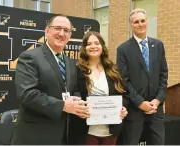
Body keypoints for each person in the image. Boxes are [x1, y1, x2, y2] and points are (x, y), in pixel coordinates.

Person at [10, 14, 90, 145]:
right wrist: (63, 106)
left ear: (70, 36)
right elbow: (27, 94)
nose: (61, 33)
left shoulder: (70, 62)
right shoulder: (30, 57)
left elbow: (73, 89)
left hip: (63, 135)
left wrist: (78, 104)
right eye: (57, 28)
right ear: (47, 31)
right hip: (35, 137)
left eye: (66, 31)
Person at [116, 8, 168, 145]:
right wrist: (140, 103)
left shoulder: (158, 45)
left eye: (143, 21)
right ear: (131, 25)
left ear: (147, 22)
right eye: (136, 22)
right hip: (134, 110)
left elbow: (164, 75)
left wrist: (157, 100)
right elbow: (123, 80)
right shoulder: (123, 49)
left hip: (156, 109)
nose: (140, 24)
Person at [68, 31, 128, 145]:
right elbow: (73, 93)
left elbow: (124, 94)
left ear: (102, 46)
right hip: (86, 130)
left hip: (111, 130)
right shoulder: (77, 70)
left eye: (97, 43)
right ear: (84, 48)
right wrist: (79, 107)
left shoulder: (114, 70)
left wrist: (123, 108)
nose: (93, 46)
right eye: (89, 44)